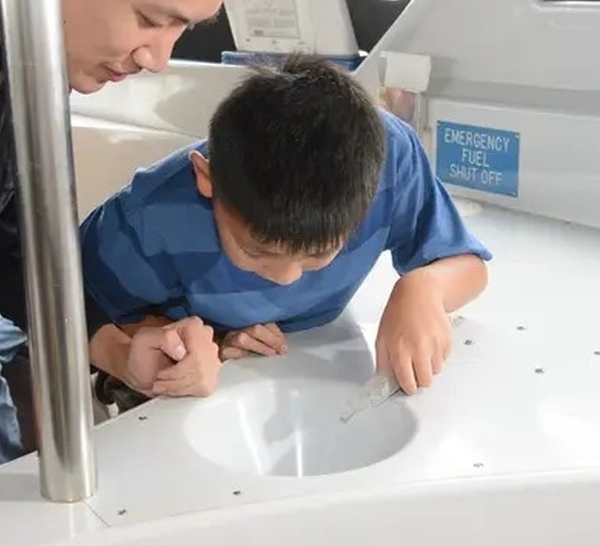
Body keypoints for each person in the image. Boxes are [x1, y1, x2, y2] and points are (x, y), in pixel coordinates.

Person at [0, 0, 290, 463]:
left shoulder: (33, 73)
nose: (156, 60)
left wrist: (122, 353)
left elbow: (11, 249)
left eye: (182, 30)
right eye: (151, 20)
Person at [80, 54, 492, 404]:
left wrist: (424, 288)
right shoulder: (150, 216)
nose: (287, 277)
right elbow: (70, 310)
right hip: (195, 389)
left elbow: (468, 265)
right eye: (256, 250)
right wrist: (168, 347)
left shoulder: (391, 159)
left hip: (309, 358)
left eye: (317, 254)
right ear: (207, 181)